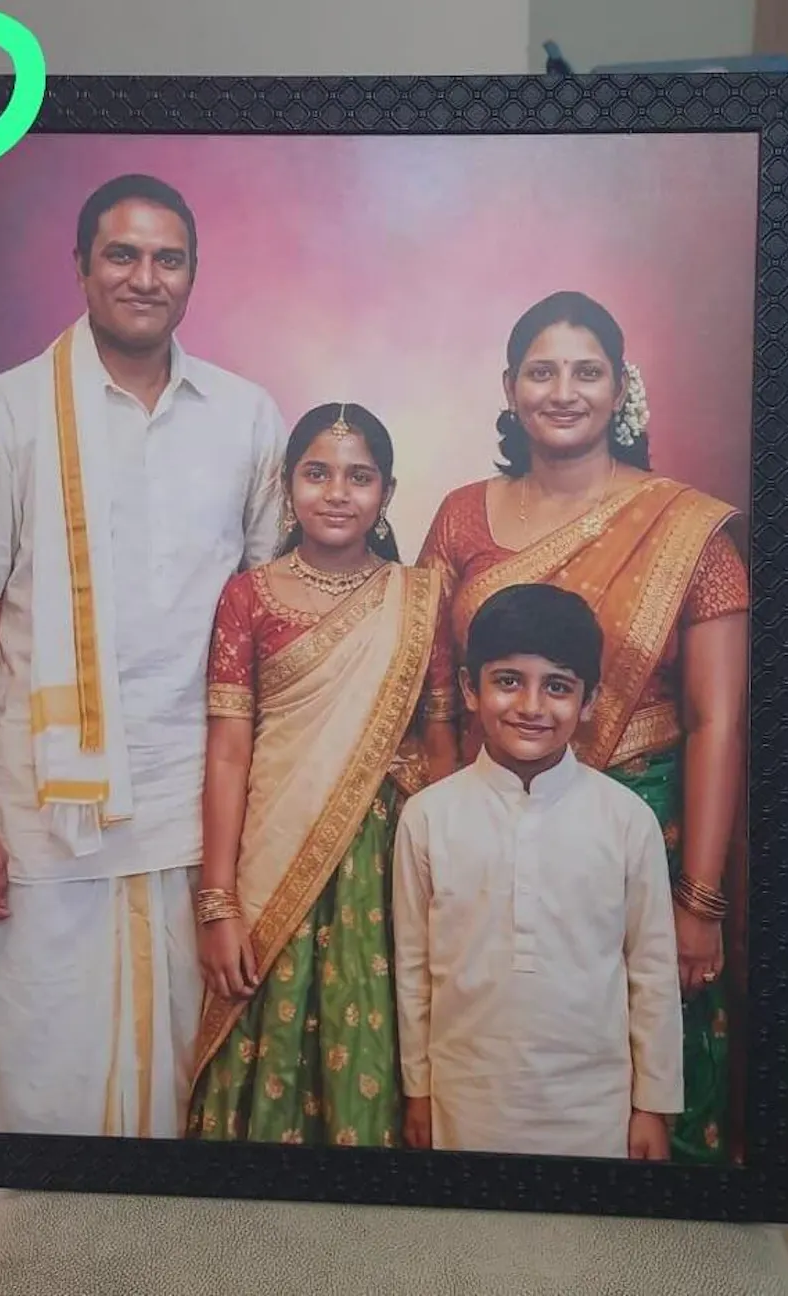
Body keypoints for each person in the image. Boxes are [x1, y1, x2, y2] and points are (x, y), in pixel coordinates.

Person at [0, 173, 287, 1138]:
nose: (145, 277)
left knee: (180, 1070)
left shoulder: (245, 415)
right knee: (36, 1063)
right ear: (82, 267)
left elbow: (267, 613)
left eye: (167, 258)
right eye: (122, 254)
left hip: (190, 804)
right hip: (39, 808)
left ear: (193, 274)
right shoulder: (7, 411)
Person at [417, 291, 749, 1165]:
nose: (563, 392)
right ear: (510, 388)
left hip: (647, 828)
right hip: (488, 827)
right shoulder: (460, 517)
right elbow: (437, 699)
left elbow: (717, 721)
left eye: (587, 372)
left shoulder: (690, 529)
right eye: (542, 371)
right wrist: (450, 836)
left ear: (620, 387)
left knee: (651, 1052)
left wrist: (700, 899)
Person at [186, 403, 447, 1147]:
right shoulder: (248, 596)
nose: (337, 493)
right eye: (317, 473)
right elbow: (228, 752)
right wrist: (217, 902)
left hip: (382, 863)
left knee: (374, 1027)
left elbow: (443, 744)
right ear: (287, 483)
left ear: (387, 492)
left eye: (359, 477)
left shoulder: (419, 597)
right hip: (272, 851)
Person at [393, 582, 683, 1160]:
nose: (531, 706)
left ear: (589, 700)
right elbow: (413, 968)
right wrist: (418, 1092)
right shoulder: (427, 817)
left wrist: (651, 1106)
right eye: (508, 681)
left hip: (594, 1107)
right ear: (470, 689)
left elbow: (652, 971)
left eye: (557, 686)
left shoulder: (626, 820)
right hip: (464, 1101)